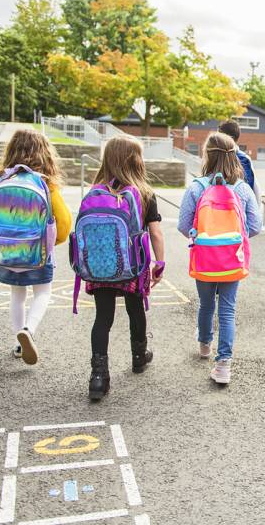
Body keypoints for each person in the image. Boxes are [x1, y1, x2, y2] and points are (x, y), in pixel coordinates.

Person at [0, 129, 71, 365]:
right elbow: (64, 223)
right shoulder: (45, 183)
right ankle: (29, 331)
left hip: (4, 251)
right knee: (43, 293)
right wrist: (51, 242)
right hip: (37, 252)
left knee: (17, 295)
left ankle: (18, 343)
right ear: (44, 153)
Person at [84, 135, 165, 400]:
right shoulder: (143, 192)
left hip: (100, 264)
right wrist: (159, 263)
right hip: (132, 263)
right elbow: (155, 233)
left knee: (103, 318)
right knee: (135, 309)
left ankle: (98, 378)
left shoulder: (94, 190)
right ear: (134, 160)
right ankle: (139, 356)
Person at [178, 132, 261, 385]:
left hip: (204, 257)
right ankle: (223, 364)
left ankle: (205, 345)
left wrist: (202, 235)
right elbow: (255, 226)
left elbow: (183, 225)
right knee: (227, 310)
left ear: (206, 155)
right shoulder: (243, 189)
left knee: (205, 304)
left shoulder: (196, 187)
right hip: (232, 258)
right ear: (234, 156)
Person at [219, 120, 261, 206]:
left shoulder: (243, 159)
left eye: (219, 135)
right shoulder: (245, 159)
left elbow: (252, 187)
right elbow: (255, 191)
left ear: (228, 137)